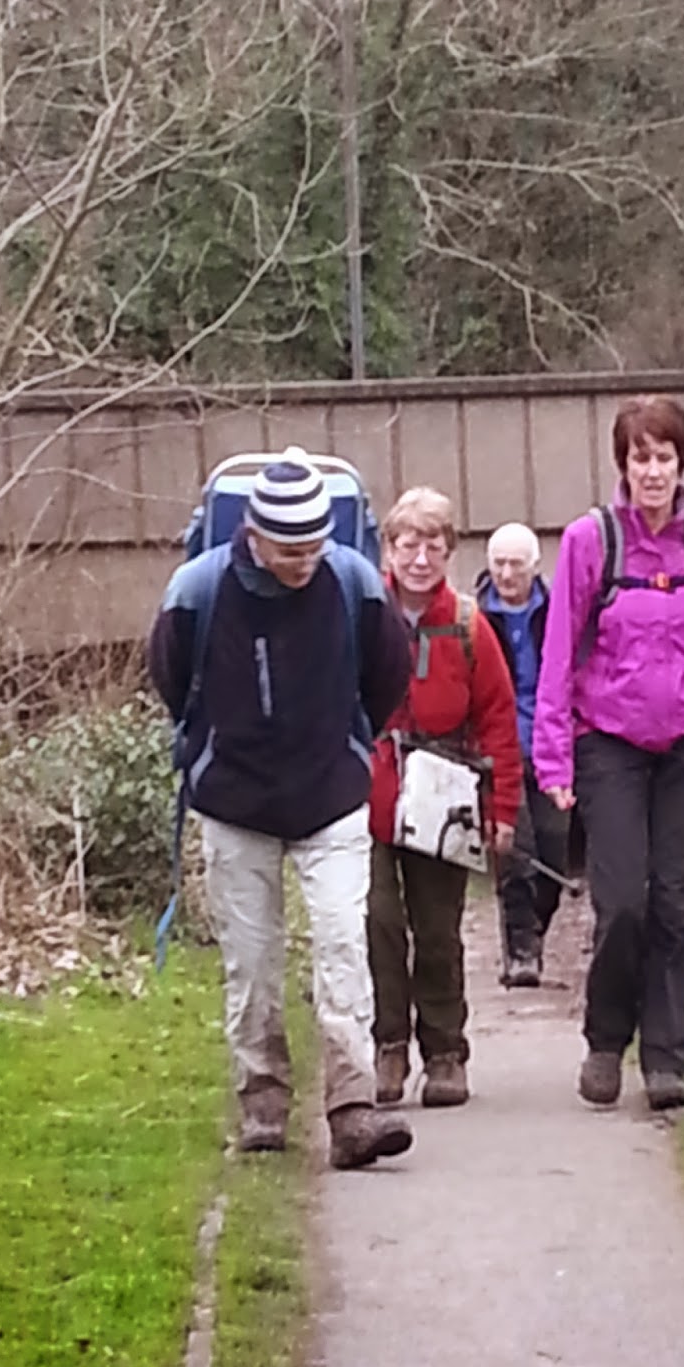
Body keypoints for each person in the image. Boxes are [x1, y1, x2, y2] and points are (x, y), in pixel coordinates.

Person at [147, 447, 415, 1170]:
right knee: (253, 963)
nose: (306, 561)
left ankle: (353, 1107)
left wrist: (352, 744)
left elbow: (390, 668)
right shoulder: (198, 591)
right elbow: (171, 677)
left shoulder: (353, 582)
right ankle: (263, 1103)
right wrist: (212, 750)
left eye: (316, 546)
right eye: (292, 549)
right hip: (234, 802)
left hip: (331, 796)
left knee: (341, 949)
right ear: (254, 538)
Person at [533, 395, 684, 1112]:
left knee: (676, 903)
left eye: (665, 457)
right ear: (623, 466)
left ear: (681, 463)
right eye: (641, 458)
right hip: (609, 744)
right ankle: (607, 1040)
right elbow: (559, 655)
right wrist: (554, 762)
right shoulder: (589, 542)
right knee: (624, 900)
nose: (653, 471)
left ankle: (666, 1057)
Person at [367, 487, 522, 1109]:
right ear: (390, 549)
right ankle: (387, 1046)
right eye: (410, 544)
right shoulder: (361, 615)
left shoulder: (467, 625)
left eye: (434, 545)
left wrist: (502, 810)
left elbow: (498, 721)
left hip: (445, 795)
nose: (421, 558)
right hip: (370, 795)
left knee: (437, 930)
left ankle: (445, 1053)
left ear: (450, 552)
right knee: (376, 922)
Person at [475, 521, 570, 989]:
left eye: (516, 564)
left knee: (555, 851)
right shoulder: (473, 618)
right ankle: (520, 952)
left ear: (535, 566)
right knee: (517, 853)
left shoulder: (558, 613)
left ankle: (533, 933)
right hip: (497, 751)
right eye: (499, 563)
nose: (506, 573)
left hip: (550, 747)